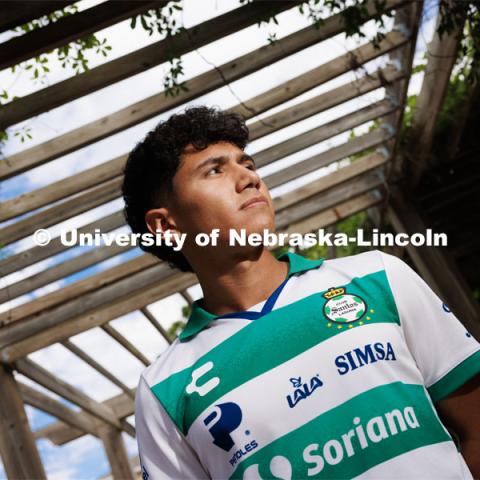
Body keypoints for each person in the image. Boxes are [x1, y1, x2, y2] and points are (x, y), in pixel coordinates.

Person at [122, 106, 480, 479]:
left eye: (248, 164)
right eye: (215, 169)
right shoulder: (164, 390)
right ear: (166, 225)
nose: (248, 178)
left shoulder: (377, 276)